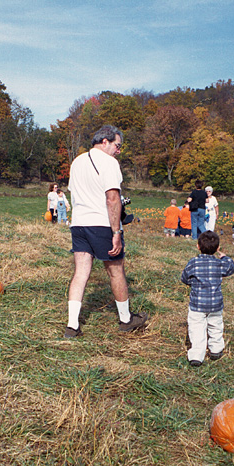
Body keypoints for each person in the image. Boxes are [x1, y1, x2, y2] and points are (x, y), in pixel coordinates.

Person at [64, 124, 149, 338]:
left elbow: (74, 193)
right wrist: (116, 233)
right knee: (116, 270)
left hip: (79, 223)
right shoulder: (110, 162)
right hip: (101, 224)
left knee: (81, 273)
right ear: (105, 142)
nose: (119, 151)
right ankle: (126, 319)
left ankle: (72, 325)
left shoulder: (77, 161)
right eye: (117, 145)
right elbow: (112, 199)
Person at [181, 231, 234, 367]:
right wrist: (225, 257)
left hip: (197, 305)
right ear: (217, 248)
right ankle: (216, 349)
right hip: (215, 304)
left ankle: (197, 356)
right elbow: (232, 268)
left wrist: (191, 283)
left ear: (198, 246)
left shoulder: (194, 262)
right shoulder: (219, 264)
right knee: (216, 326)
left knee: (196, 329)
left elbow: (184, 277)